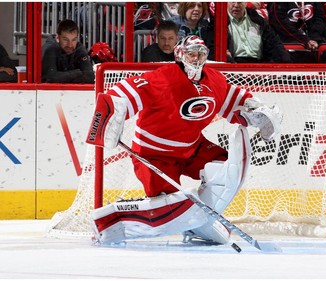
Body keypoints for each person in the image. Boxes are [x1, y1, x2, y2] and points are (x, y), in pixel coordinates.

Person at [86, 35, 282, 245]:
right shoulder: (162, 77)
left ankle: (200, 222)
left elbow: (237, 102)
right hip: (154, 156)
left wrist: (257, 112)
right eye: (191, 53)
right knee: (167, 208)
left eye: (201, 54)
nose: (196, 59)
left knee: (226, 167)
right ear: (180, 55)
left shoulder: (214, 80)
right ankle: (113, 221)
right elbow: (122, 94)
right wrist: (111, 113)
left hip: (193, 148)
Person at [227, 2, 291, 63]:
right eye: (232, 2)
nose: (236, 5)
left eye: (239, 2)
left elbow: (274, 42)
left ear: (246, 3)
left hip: (260, 64)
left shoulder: (257, 20)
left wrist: (284, 59)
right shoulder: (219, 22)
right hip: (233, 64)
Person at [42, 19, 94, 83]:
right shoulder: (50, 49)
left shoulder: (79, 48)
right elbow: (51, 78)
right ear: (57, 38)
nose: (70, 45)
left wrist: (63, 78)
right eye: (65, 40)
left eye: (73, 40)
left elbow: (90, 77)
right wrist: (77, 73)